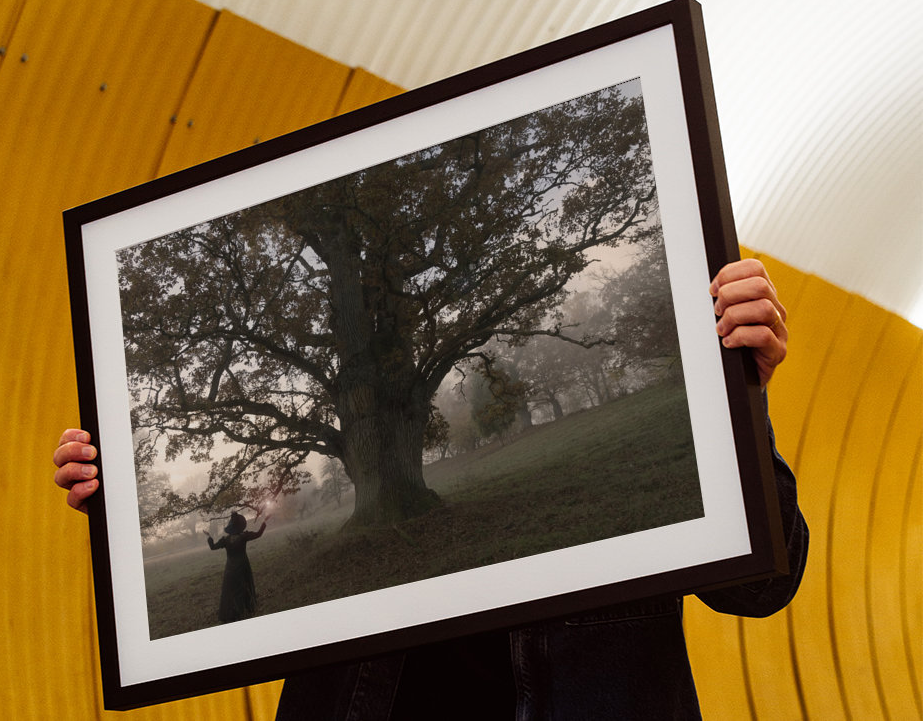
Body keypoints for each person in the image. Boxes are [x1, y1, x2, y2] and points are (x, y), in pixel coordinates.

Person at [53, 259, 807, 720]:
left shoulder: (689, 379)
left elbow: (763, 586)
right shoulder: (330, 437)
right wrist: (128, 508)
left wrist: (737, 395)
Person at [205, 512, 268, 623]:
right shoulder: (244, 536)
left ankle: (230, 614)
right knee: (244, 587)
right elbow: (259, 534)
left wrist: (209, 537)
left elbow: (213, 547)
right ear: (241, 526)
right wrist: (264, 521)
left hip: (230, 569)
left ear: (230, 526)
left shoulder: (225, 540)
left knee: (230, 591)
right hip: (243, 566)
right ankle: (246, 609)